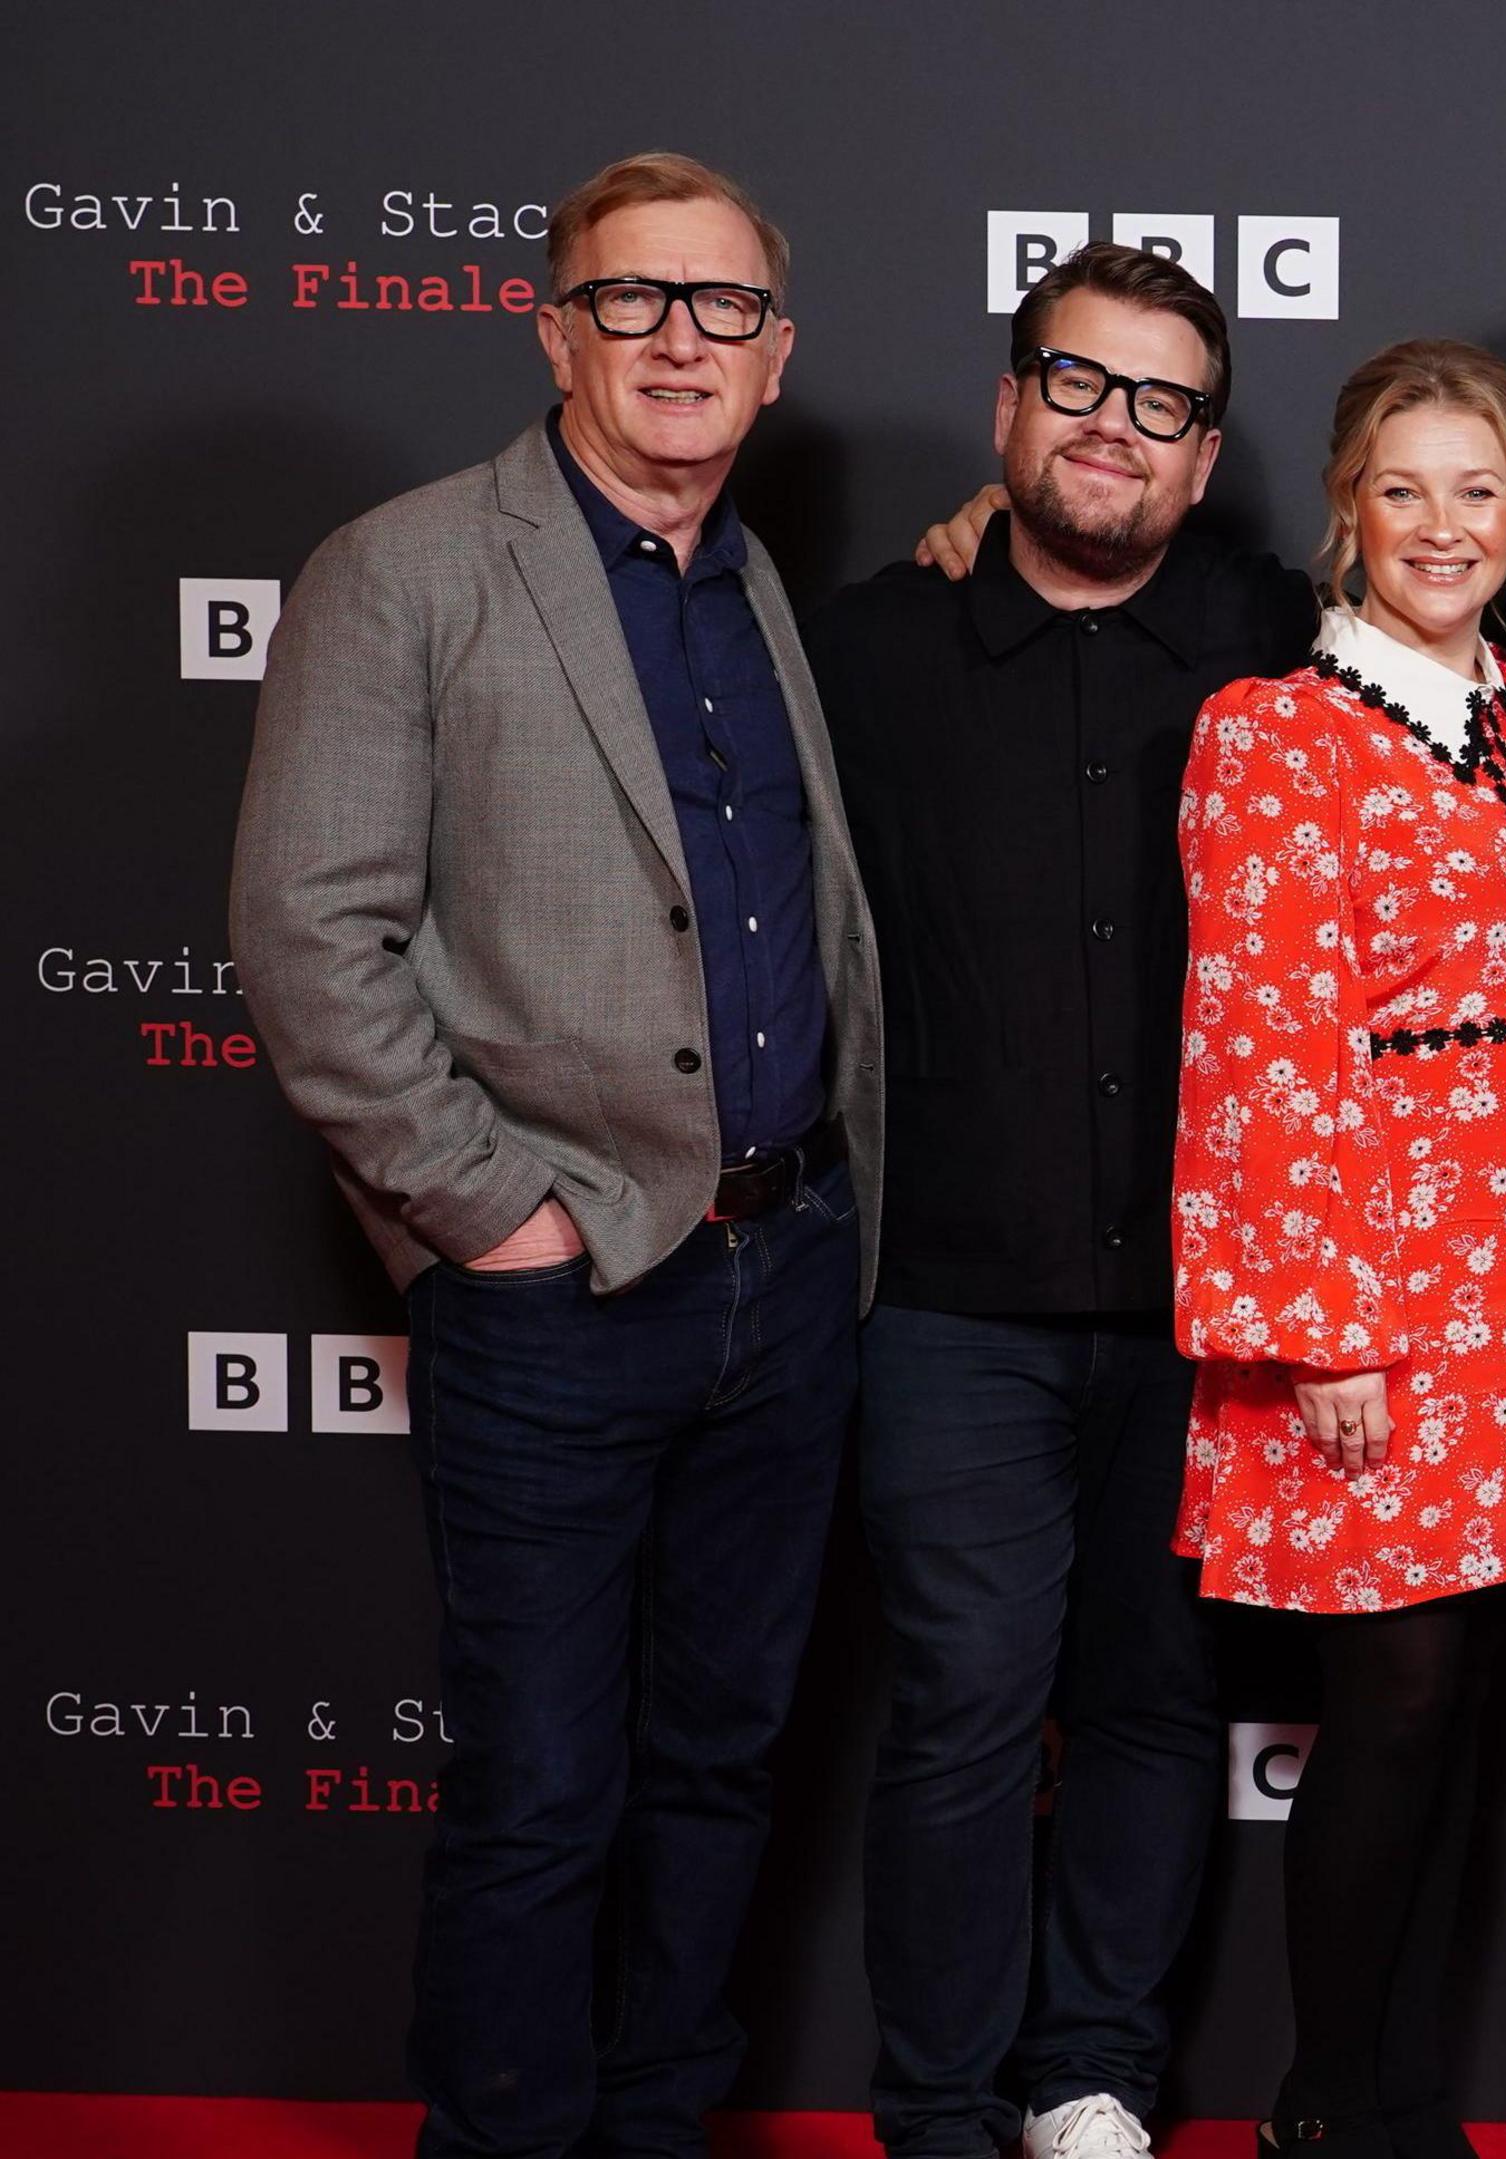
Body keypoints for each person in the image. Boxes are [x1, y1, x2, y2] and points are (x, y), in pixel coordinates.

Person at [230, 151, 881, 2159]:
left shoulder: (759, 583)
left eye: (722, 308)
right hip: (561, 1292)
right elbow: (304, 935)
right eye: (633, 300)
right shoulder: (408, 568)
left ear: (777, 357)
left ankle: (664, 2123)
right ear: (553, 327)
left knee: (719, 1769)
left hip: (785, 1286)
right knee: (539, 1794)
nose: (678, 339)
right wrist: (491, 1215)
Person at [811, 244, 1318, 2159]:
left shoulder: (1289, 641)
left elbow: (1477, 586)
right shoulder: (863, 648)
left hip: (1205, 1305)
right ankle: (939, 2102)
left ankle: (1091, 2072)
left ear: (1203, 459)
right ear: (1012, 407)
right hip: (944, 1295)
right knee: (958, 1705)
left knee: (1155, 1700)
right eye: (1079, 386)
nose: (1116, 429)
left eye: (1164, 405)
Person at [1174, 338, 1506, 2159]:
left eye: (1479, 491)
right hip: (1369, 1287)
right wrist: (1324, 1332)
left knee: (1452, 1716)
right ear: (1344, 515)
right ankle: (1330, 2113)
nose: (1441, 526)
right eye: (1403, 489)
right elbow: (1259, 1045)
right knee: (1394, 1701)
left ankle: (1403, 2104)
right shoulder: (1272, 731)